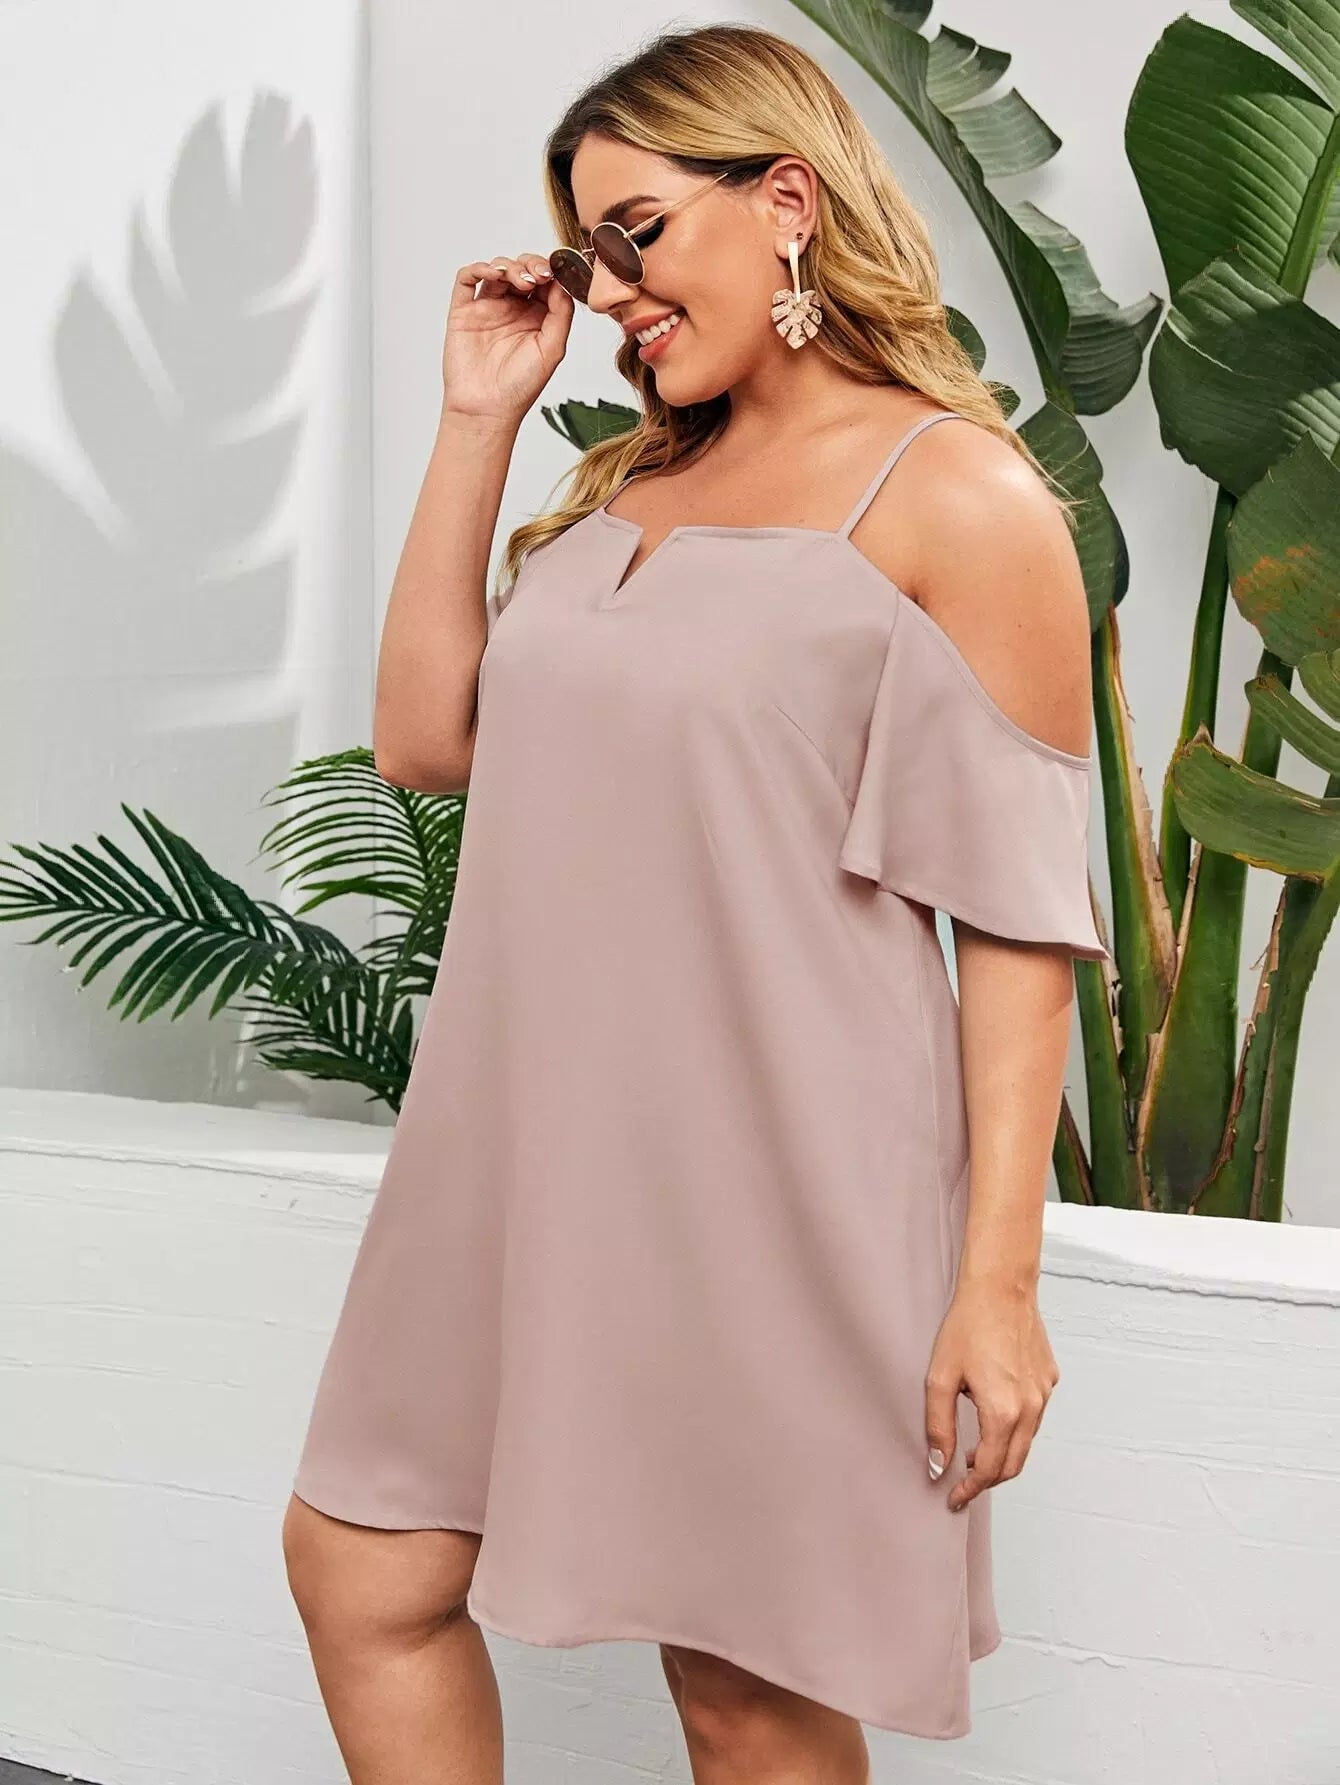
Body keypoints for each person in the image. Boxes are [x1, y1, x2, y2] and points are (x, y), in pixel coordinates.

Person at [281, 22, 1109, 1783]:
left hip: (780, 1178)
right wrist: (478, 419)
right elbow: (426, 740)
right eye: (589, 254)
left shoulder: (957, 494)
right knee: (362, 1565)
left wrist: (999, 1284)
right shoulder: (631, 488)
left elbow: (1020, 924)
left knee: (744, 1694)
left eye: (637, 235)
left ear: (787, 200)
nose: (610, 291)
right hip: (521, 1158)